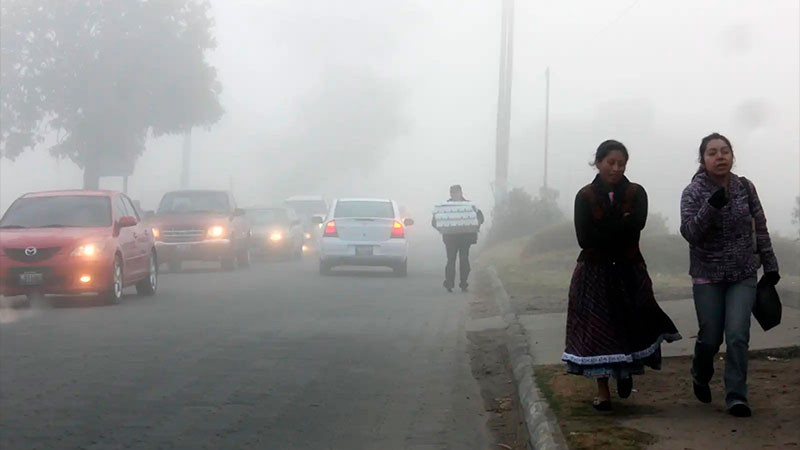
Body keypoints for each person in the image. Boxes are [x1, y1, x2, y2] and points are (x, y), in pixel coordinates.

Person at [563, 140, 681, 411]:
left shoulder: (637, 192)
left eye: (621, 163)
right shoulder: (585, 196)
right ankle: (603, 390)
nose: (616, 168)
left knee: (632, 321)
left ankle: (625, 372)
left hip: (629, 269)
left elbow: (636, 225)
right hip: (594, 273)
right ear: (598, 162)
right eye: (610, 163)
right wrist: (620, 225)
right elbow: (585, 238)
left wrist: (604, 227)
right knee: (597, 329)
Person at [680, 132, 780, 418]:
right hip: (707, 276)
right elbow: (690, 233)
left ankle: (736, 396)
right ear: (703, 159)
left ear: (732, 156)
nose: (720, 156)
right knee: (710, 338)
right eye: (712, 152)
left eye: (725, 151)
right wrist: (711, 206)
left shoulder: (745, 187)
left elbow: (759, 226)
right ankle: (700, 372)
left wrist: (770, 266)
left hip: (743, 273)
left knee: (737, 335)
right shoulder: (693, 192)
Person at [432, 185, 484, 293]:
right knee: (452, 260)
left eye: (456, 192)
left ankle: (463, 284)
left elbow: (480, 218)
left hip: (463, 238)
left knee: (462, 259)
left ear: (461, 193)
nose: (455, 195)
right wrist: (442, 228)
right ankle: (451, 284)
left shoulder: (470, 206)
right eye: (453, 193)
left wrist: (475, 225)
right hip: (452, 238)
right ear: (450, 194)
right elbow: (435, 221)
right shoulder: (444, 207)